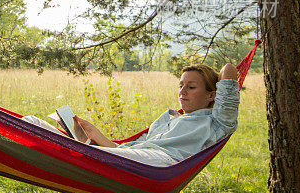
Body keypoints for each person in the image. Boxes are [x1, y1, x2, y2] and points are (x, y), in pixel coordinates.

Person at [73, 63, 240, 166]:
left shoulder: (217, 121)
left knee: (90, 155)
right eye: (181, 85)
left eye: (191, 87)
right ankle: (85, 148)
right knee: (46, 129)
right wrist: (94, 133)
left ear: (212, 95)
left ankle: (86, 151)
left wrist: (217, 84)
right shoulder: (168, 119)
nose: (182, 92)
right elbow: (127, 151)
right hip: (138, 159)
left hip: (164, 164)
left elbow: (229, 70)